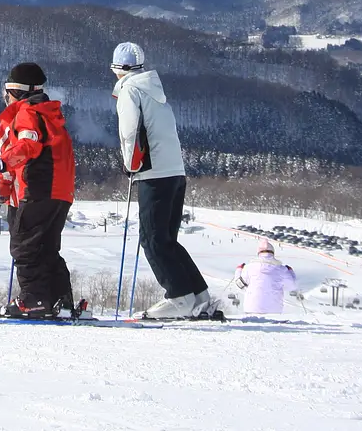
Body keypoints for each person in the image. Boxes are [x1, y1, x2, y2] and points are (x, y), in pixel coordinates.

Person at [111, 42, 215, 319]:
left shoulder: (129, 91)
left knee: (153, 239)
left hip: (153, 173)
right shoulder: (155, 92)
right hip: (175, 173)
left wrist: (130, 164)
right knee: (167, 239)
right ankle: (199, 296)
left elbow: (129, 131)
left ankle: (179, 297)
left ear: (118, 69)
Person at [0, 61, 78, 319]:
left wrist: (1, 163)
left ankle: (33, 299)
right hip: (60, 192)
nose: (6, 97)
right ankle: (60, 301)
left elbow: (27, 146)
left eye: (8, 91)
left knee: (25, 246)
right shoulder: (49, 115)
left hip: (39, 188)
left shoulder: (27, 115)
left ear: (20, 92)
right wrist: (4, 185)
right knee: (46, 248)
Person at [234, 240, 298, 314]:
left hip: (251, 309)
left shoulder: (249, 267)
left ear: (259, 253)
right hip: (274, 310)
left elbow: (239, 285)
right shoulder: (282, 269)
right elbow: (292, 286)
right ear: (273, 253)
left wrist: (239, 270)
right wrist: (290, 271)